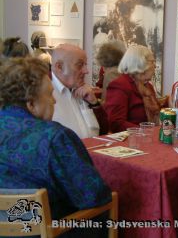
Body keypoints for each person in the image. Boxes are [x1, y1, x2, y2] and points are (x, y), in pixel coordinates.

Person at [0, 57, 111, 224]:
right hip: (48, 231)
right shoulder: (55, 137)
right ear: (31, 104)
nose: (54, 100)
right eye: (49, 94)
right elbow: (95, 197)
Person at [51, 44, 108, 138]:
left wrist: (94, 103)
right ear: (59, 67)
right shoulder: (44, 94)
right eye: (80, 65)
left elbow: (104, 131)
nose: (86, 71)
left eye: (85, 64)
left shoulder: (83, 90)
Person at [104, 44, 160, 132]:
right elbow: (116, 123)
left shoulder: (148, 86)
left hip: (149, 138)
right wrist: (145, 131)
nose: (155, 66)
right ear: (141, 63)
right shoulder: (120, 85)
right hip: (130, 141)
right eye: (152, 62)